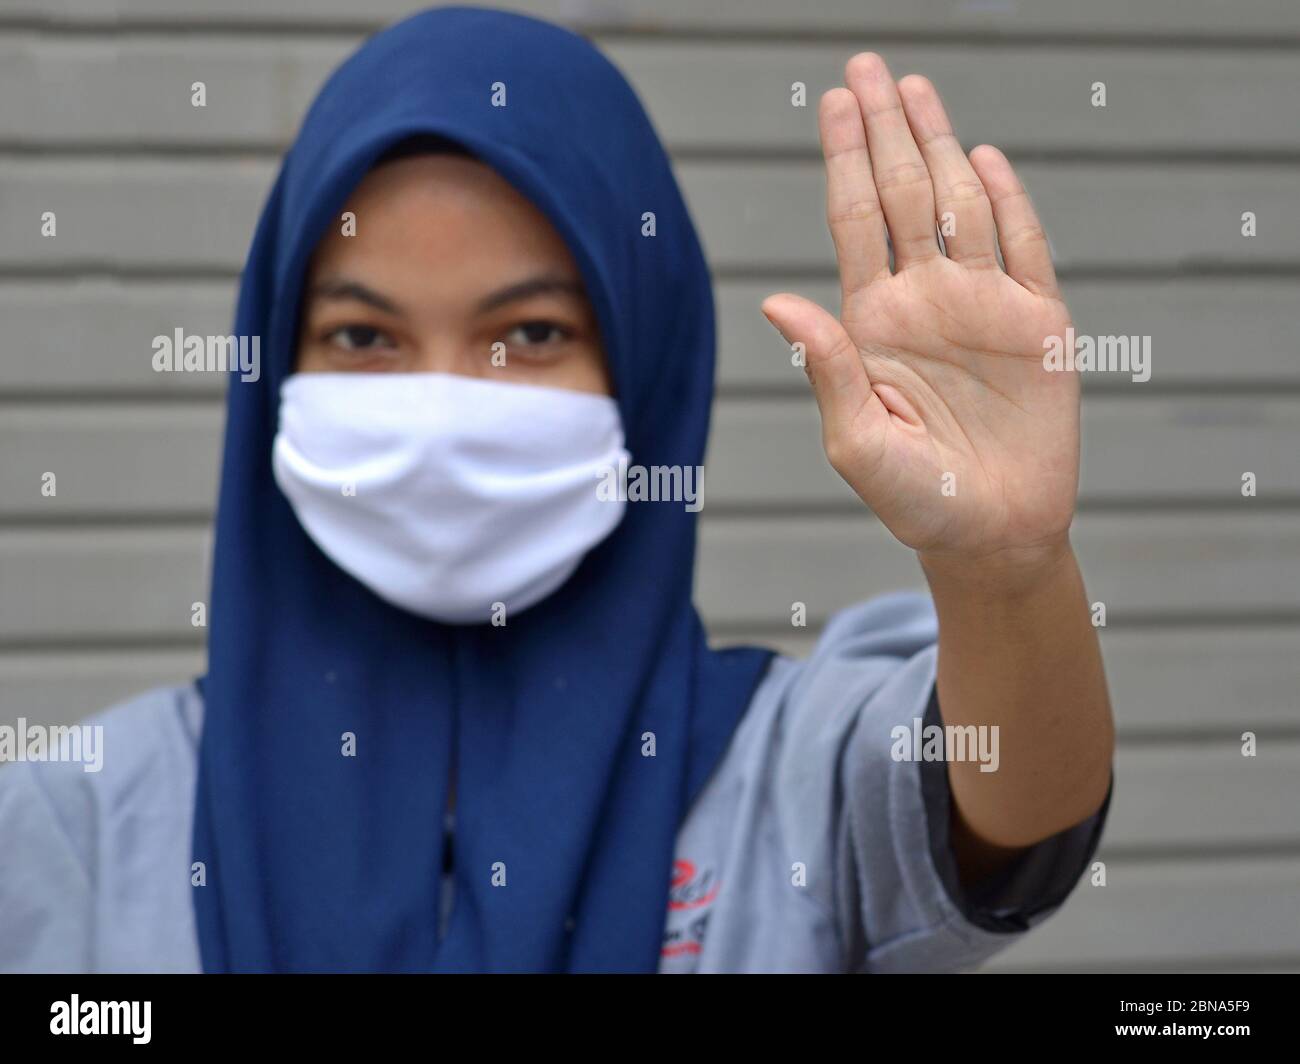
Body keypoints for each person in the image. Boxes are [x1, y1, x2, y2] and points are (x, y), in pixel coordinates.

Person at [0, 6, 1113, 974]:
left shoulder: (781, 769)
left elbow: (1017, 815)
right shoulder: (85, 816)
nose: (439, 404)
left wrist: (1002, 568)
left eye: (528, 332)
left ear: (644, 368)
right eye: (361, 334)